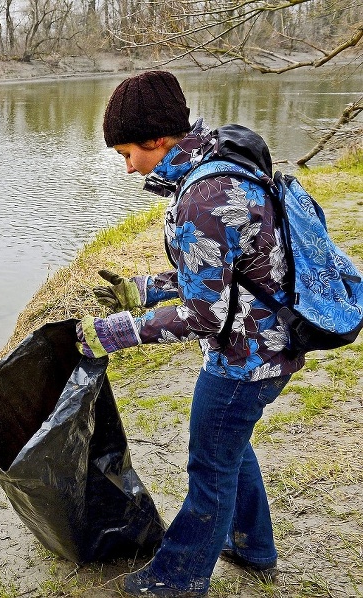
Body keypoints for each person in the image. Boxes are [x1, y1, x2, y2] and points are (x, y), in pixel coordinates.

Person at [76, 70, 303, 596]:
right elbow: (222, 271)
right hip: (272, 340)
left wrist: (111, 332)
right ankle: (253, 547)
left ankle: (177, 579)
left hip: (247, 357)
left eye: (126, 154)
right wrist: (146, 290)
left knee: (210, 463)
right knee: (229, 448)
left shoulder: (199, 200)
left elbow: (205, 315)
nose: (128, 168)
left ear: (157, 141)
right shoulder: (217, 164)